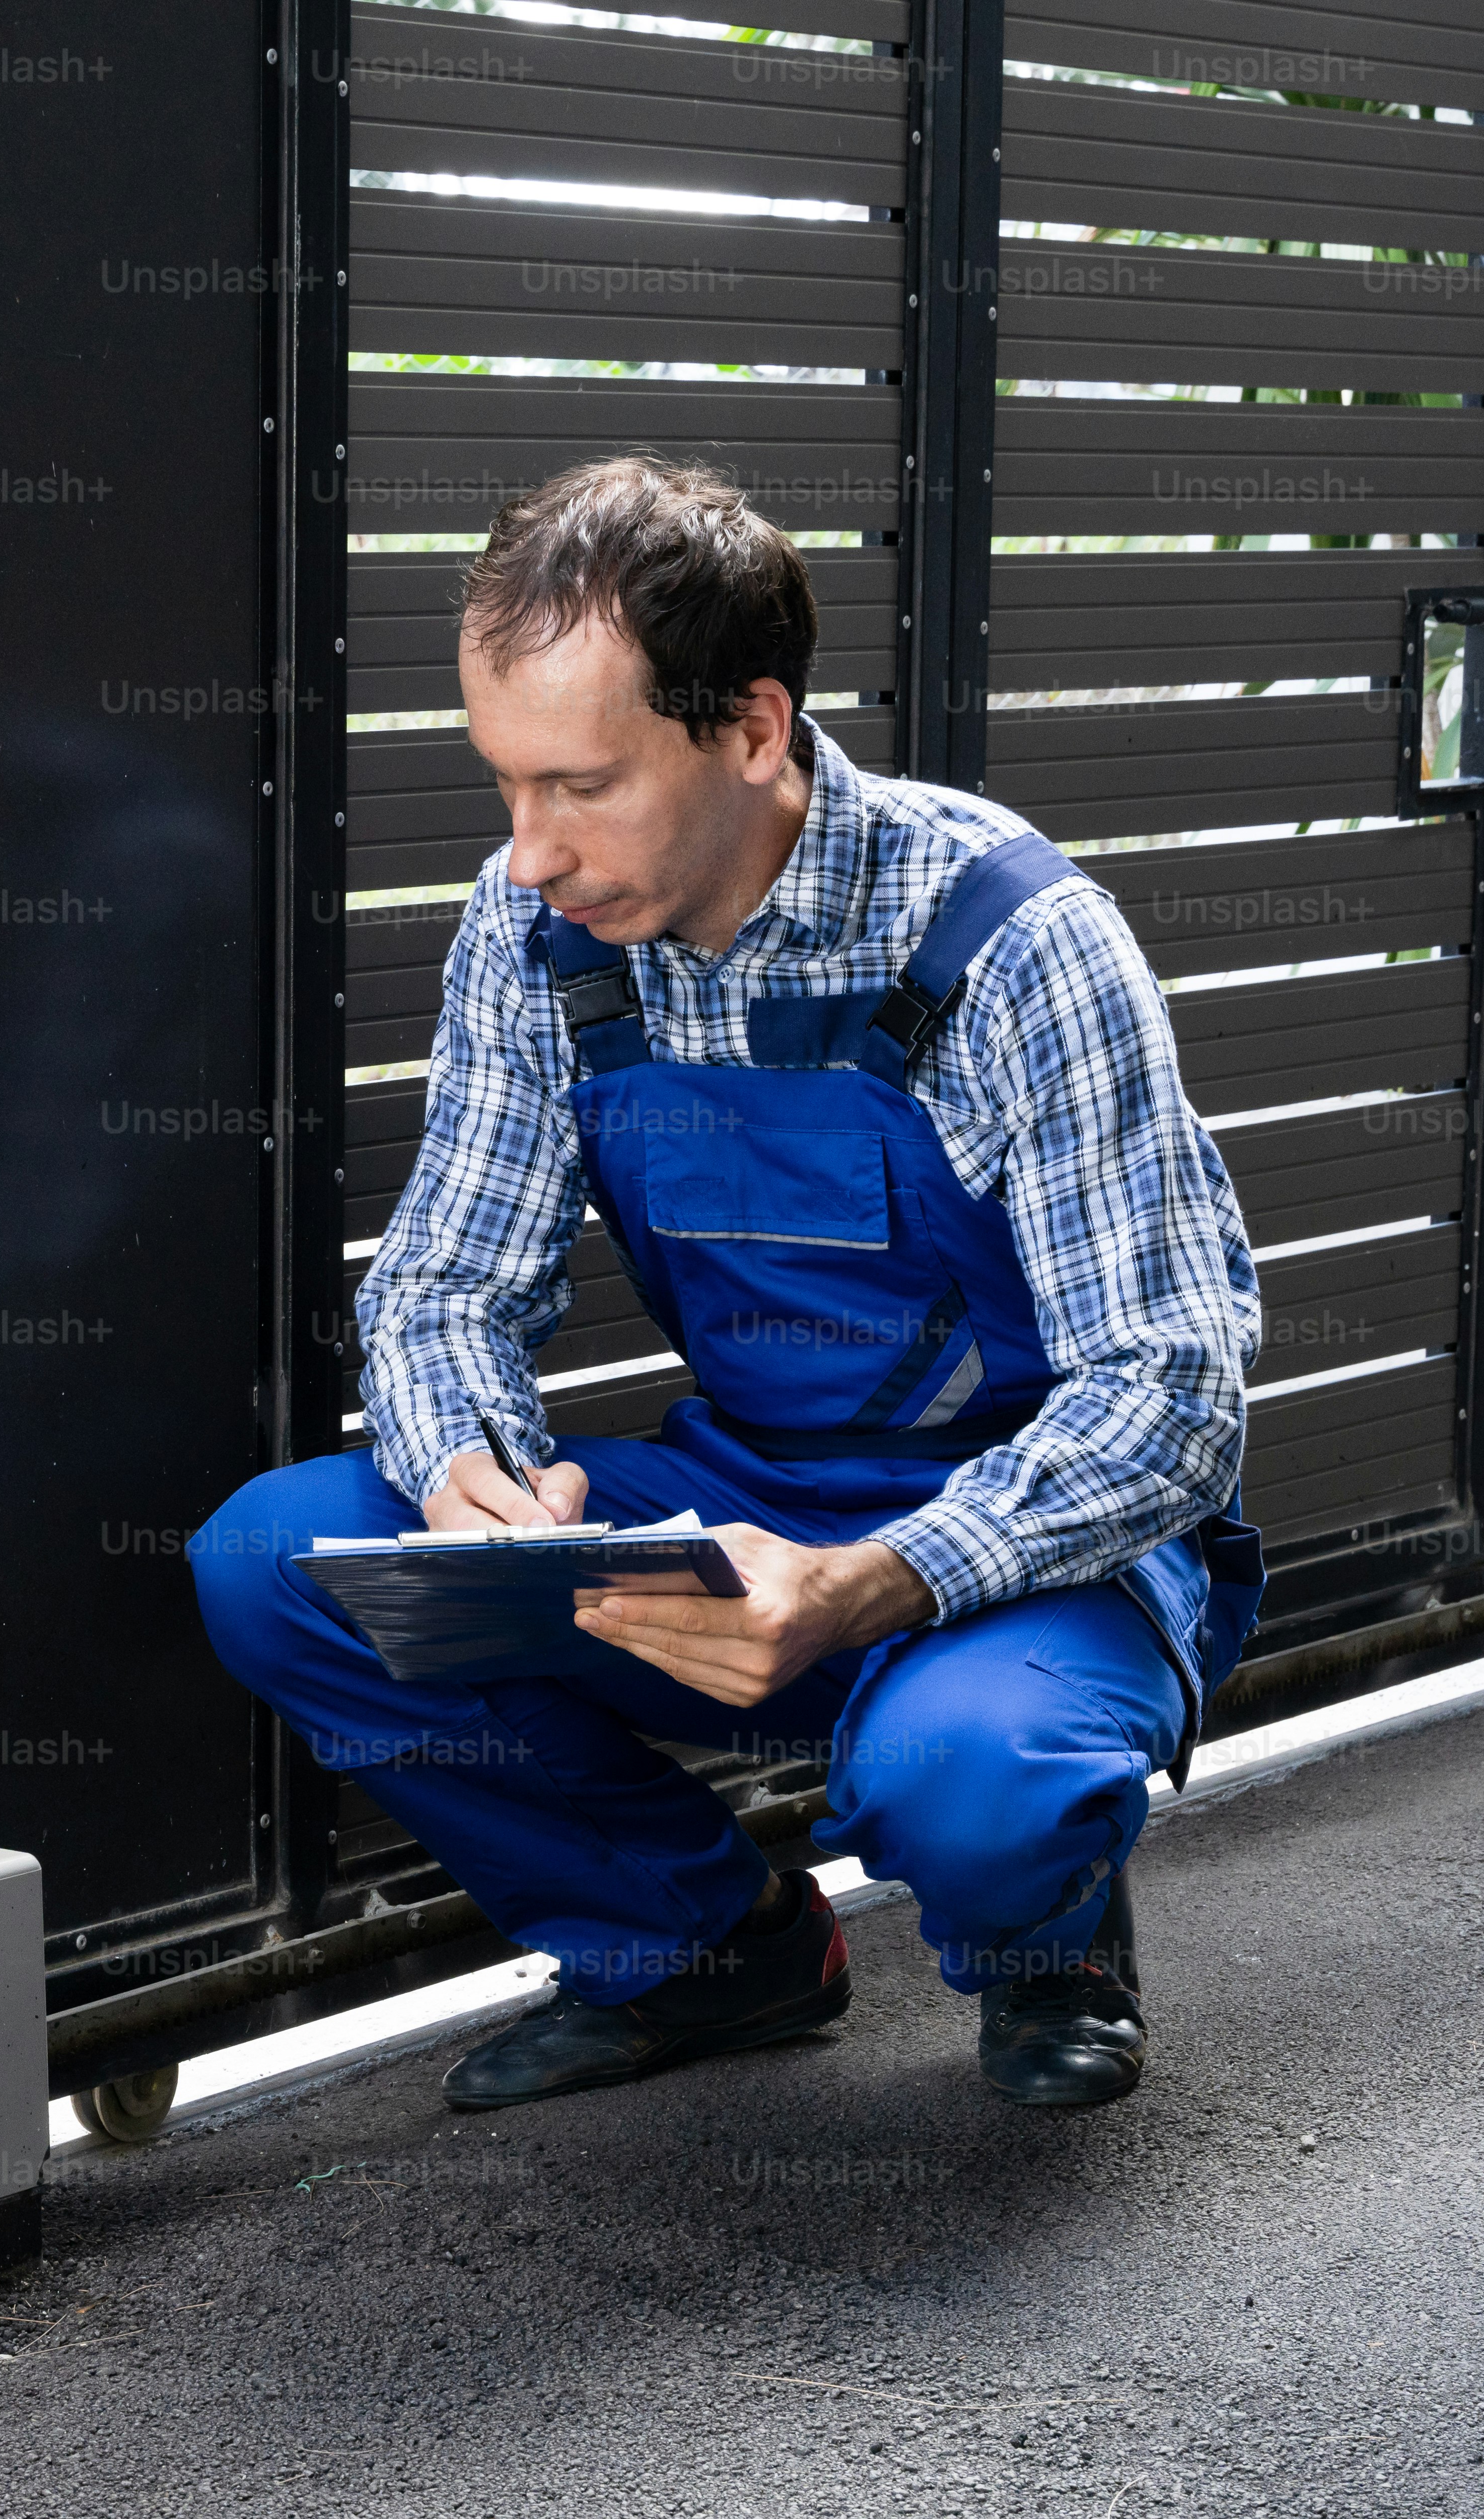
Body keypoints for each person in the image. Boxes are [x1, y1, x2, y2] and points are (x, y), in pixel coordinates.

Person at [189, 455, 1265, 2114]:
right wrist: (470, 1472)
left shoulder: (1006, 936)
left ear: (751, 728)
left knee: (974, 1785)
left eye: (580, 786)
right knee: (273, 1560)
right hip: (743, 1501)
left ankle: (1045, 1942)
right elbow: (440, 1286)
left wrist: (876, 1581)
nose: (528, 851)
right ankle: (706, 1952)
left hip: (1032, 1546)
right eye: (504, 788)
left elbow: (1174, 1395)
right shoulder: (535, 933)